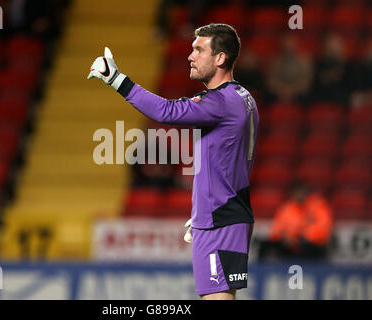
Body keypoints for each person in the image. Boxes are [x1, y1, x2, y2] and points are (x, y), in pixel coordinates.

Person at [87, 23, 259, 300]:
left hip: (220, 221)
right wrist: (204, 208)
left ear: (220, 58)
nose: (190, 56)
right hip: (220, 214)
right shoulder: (243, 97)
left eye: (199, 50)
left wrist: (116, 79)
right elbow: (231, 160)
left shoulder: (221, 103)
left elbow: (167, 111)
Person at [258, 182, 333, 261]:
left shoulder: (319, 206)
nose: (300, 195)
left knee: (309, 248)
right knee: (265, 245)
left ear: (307, 193)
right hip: (289, 244)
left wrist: (301, 237)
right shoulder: (286, 208)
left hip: (310, 244)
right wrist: (285, 237)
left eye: (302, 192)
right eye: (297, 192)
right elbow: (276, 230)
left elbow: (324, 229)